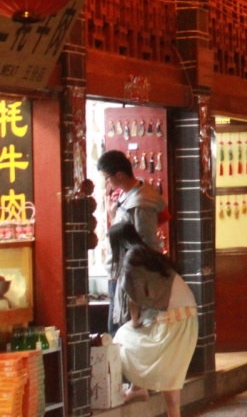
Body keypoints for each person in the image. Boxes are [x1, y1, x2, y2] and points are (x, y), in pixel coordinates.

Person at [108, 222, 197, 417]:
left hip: (173, 319)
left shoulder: (131, 259)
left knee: (124, 335)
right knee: (170, 373)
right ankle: (140, 389)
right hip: (188, 316)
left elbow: (134, 298)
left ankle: (138, 387)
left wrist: (134, 322)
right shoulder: (146, 253)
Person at [99, 150, 166, 332]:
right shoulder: (127, 195)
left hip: (129, 273)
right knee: (118, 327)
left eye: (107, 177)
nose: (107, 183)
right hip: (120, 269)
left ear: (120, 175)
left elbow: (145, 242)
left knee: (122, 329)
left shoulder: (141, 203)